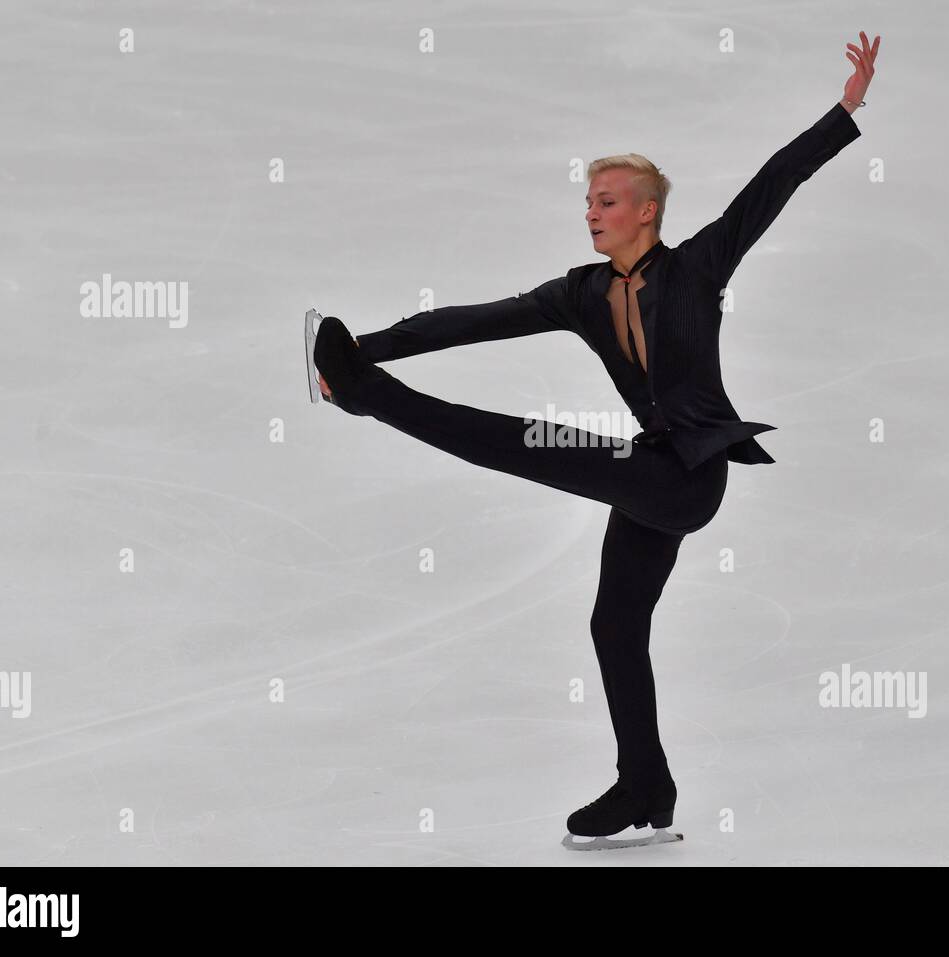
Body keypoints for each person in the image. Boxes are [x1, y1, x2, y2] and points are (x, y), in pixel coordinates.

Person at [312, 33, 880, 846]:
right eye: (588, 200)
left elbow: (771, 185)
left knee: (522, 441)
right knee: (614, 626)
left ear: (647, 210)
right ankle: (646, 785)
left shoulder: (697, 268)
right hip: (649, 474)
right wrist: (362, 343)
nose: (592, 211)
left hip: (690, 475)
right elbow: (474, 320)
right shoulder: (580, 293)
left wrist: (845, 109)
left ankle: (370, 399)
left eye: (607, 200)